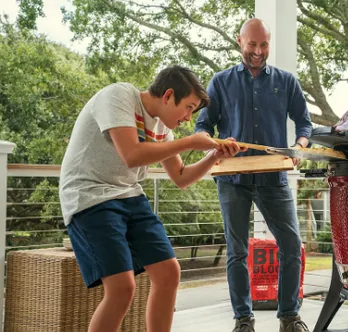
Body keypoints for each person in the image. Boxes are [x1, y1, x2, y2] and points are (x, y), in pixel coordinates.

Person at [59, 65, 246, 332]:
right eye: (189, 107)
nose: (188, 117)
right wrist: (191, 142)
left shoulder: (163, 130)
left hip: (129, 195)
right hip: (89, 196)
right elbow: (132, 155)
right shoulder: (118, 95)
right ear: (169, 95)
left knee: (169, 273)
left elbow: (181, 177)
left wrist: (214, 156)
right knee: (122, 288)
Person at [194, 18, 313, 332]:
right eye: (252, 45)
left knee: (291, 245)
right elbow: (202, 127)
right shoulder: (220, 81)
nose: (258, 51)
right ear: (240, 42)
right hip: (232, 180)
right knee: (237, 252)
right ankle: (243, 320)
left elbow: (304, 123)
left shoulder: (287, 82)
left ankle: (289, 317)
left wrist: (299, 147)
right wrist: (216, 144)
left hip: (274, 178)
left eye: (264, 45)